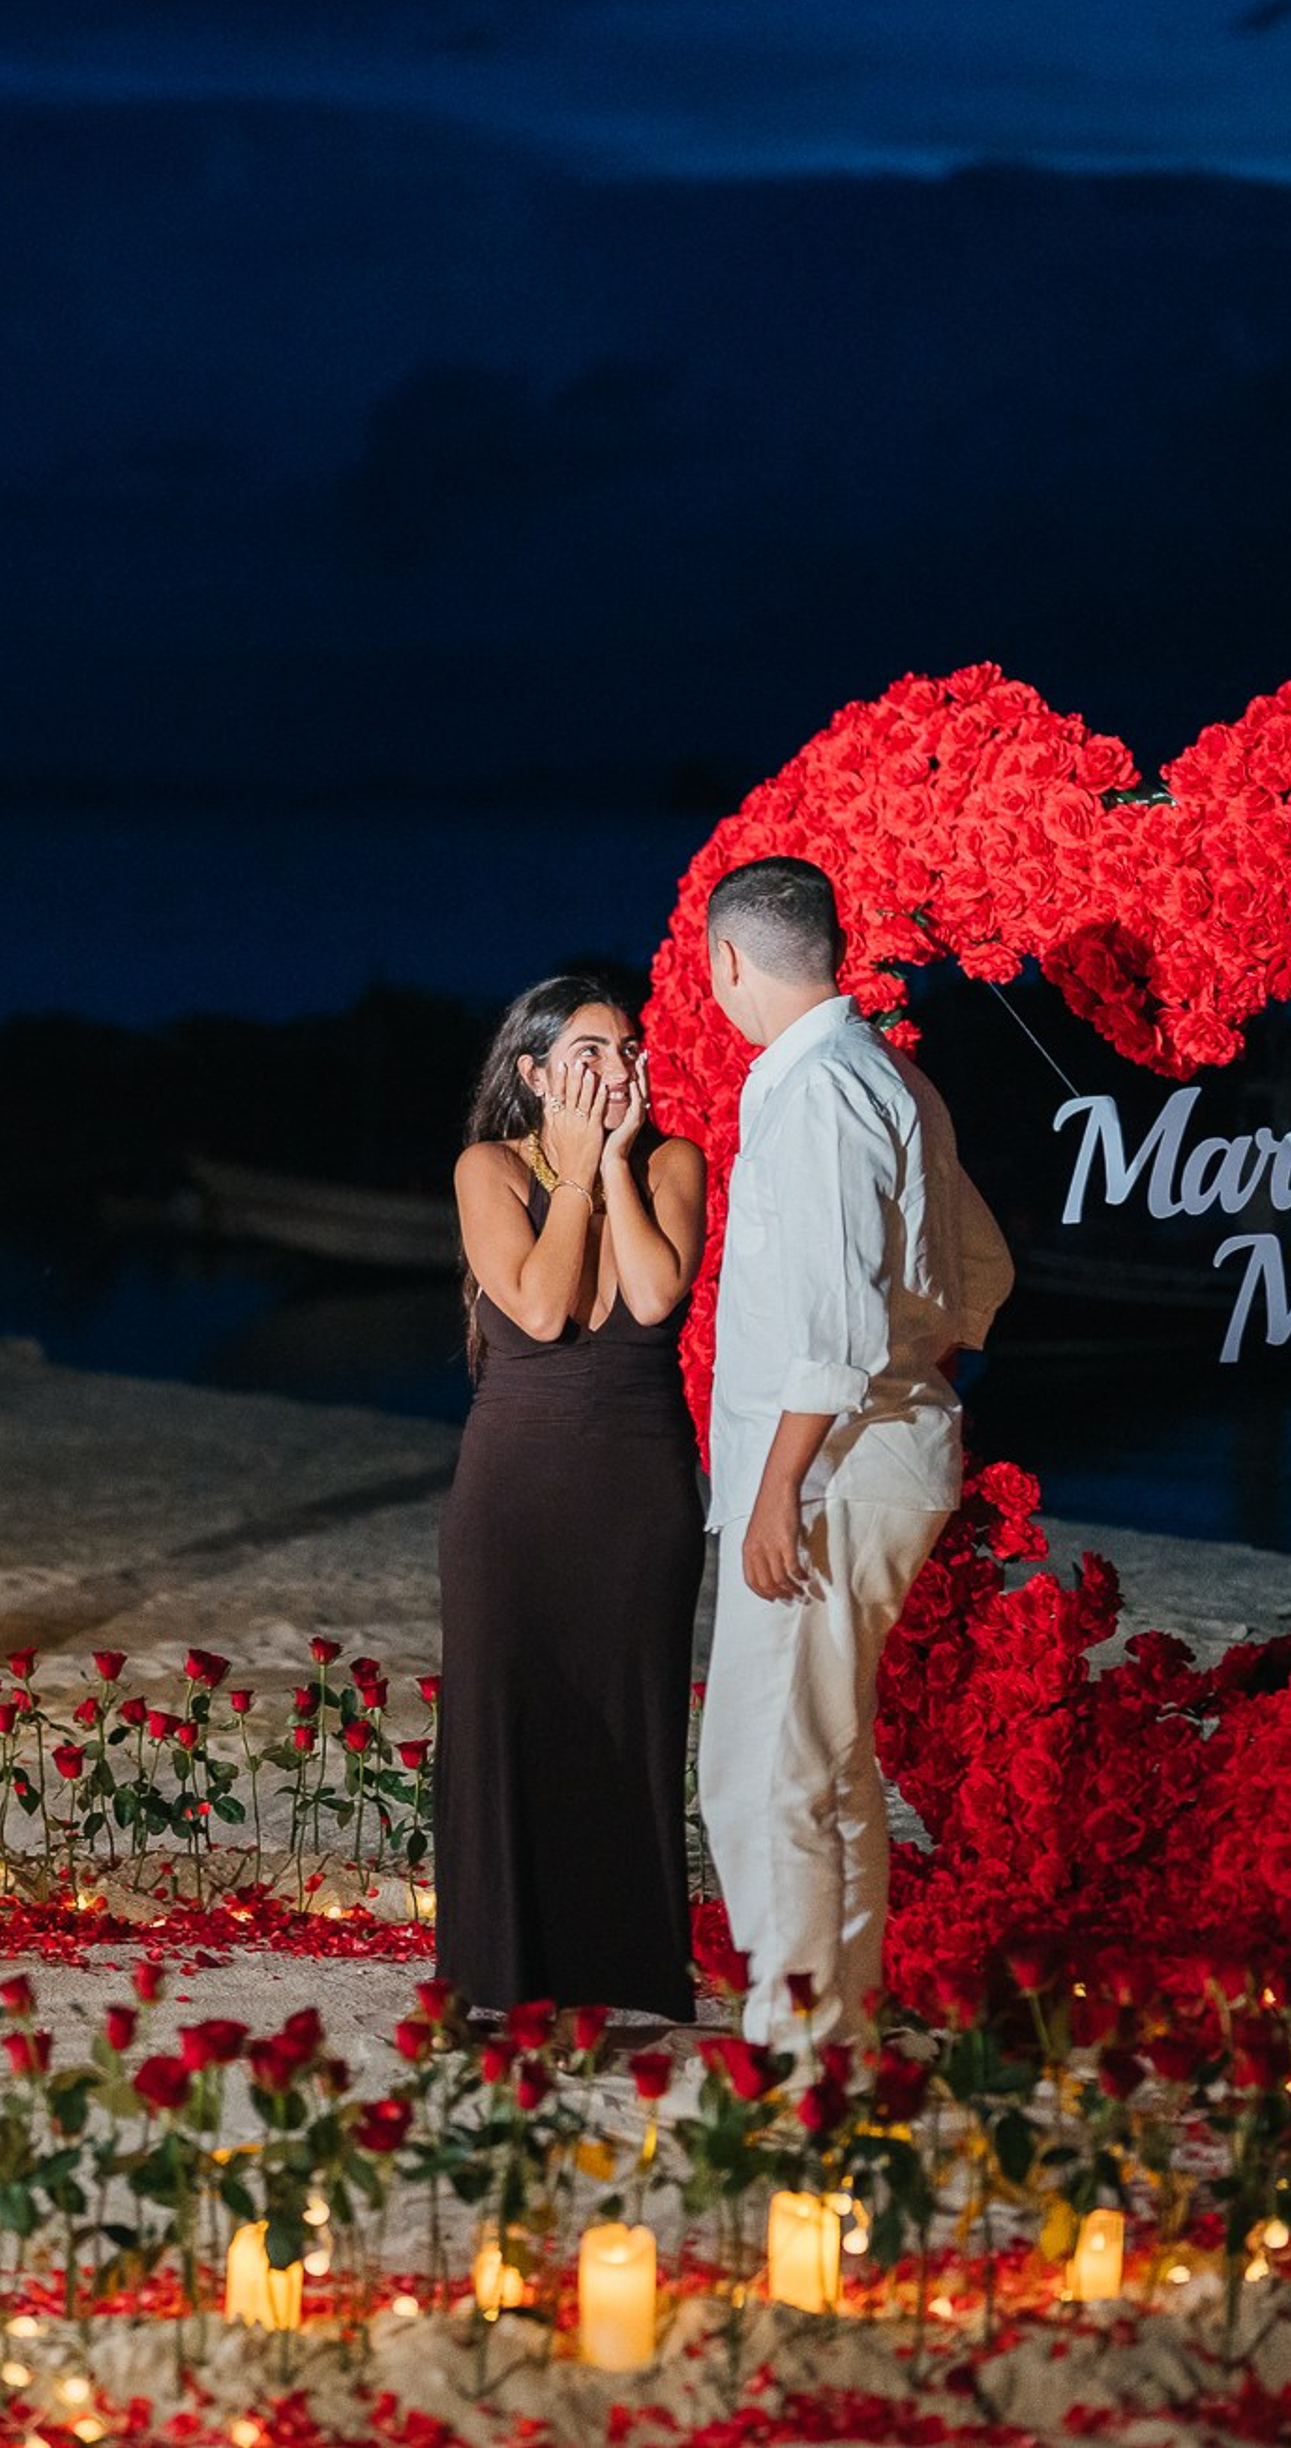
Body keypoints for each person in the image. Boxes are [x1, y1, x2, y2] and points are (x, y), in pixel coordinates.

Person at [698, 856, 1013, 2051]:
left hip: (828, 1471)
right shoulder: (886, 1076)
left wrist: (778, 1487)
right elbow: (980, 1264)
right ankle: (837, 2023)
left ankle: (799, 2048)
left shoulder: (822, 1088)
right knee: (820, 1760)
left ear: (729, 960)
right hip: (873, 1452)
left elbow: (830, 1328)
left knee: (763, 1768)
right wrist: (935, 1358)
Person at [436, 975, 708, 2020]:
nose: (616, 1067)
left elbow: (648, 1295)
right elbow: (543, 1308)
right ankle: (500, 1975)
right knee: (505, 1717)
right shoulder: (486, 1168)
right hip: (513, 1492)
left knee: (629, 1720)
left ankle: (627, 1970)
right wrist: (577, 1178)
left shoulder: (674, 1160)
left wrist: (616, 1171)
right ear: (534, 1073)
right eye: (589, 1052)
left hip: (638, 1490)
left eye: (627, 1047)